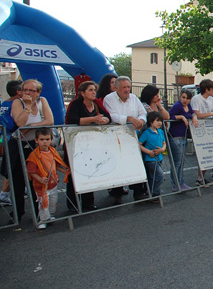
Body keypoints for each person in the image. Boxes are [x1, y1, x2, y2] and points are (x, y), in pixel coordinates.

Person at [9, 79, 54, 223]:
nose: (27, 93)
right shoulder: (18, 102)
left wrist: (33, 125)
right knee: (18, 181)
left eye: (31, 91)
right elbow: (20, 123)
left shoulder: (42, 101)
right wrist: (27, 106)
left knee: (39, 179)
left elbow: (50, 121)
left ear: (38, 92)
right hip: (19, 145)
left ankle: (40, 213)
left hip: (36, 146)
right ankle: (17, 213)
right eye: (24, 90)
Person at [65, 81, 111, 211]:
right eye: (90, 90)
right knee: (73, 173)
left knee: (90, 170)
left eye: (94, 90)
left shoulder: (96, 104)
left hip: (91, 143)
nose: (93, 92)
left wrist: (104, 120)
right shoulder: (75, 104)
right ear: (82, 93)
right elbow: (72, 120)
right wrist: (92, 119)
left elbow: (108, 116)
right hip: (76, 142)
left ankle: (88, 203)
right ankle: (73, 204)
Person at [103, 76, 148, 202]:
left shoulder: (133, 98)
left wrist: (141, 121)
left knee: (135, 163)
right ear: (116, 88)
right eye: (124, 87)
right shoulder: (109, 99)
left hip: (131, 136)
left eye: (128, 87)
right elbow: (112, 116)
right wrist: (129, 118)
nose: (127, 90)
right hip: (115, 136)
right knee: (117, 163)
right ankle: (117, 192)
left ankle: (138, 191)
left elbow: (142, 112)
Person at [25, 128, 71, 229]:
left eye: (47, 139)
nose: (44, 142)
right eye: (42, 139)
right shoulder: (34, 155)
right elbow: (31, 171)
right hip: (41, 185)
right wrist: (40, 179)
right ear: (36, 140)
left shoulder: (53, 152)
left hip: (53, 183)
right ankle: (43, 220)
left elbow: (57, 165)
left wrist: (66, 171)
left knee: (53, 201)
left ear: (51, 140)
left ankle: (50, 216)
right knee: (43, 203)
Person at [191, 79, 213, 186]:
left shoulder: (211, 99)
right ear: (207, 89)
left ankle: (201, 177)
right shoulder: (196, 99)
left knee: (208, 154)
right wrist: (211, 114)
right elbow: (197, 114)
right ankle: (199, 177)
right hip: (199, 129)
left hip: (209, 129)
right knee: (202, 154)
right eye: (212, 89)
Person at [168, 89, 197, 191]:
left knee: (181, 162)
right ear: (180, 97)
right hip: (175, 137)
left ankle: (181, 182)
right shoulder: (177, 106)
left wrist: (194, 117)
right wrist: (181, 117)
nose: (185, 100)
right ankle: (176, 183)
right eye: (183, 97)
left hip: (183, 136)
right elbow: (169, 115)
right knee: (177, 162)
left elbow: (192, 113)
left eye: (187, 98)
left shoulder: (188, 106)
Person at [0, 80, 22, 206]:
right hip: (12, 139)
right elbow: (14, 123)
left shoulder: (4, 102)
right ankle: (4, 194)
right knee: (12, 168)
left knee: (13, 167)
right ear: (18, 91)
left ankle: (18, 189)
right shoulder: (15, 103)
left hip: (6, 138)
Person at [138, 111, 166, 201]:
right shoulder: (146, 133)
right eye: (157, 120)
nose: (159, 123)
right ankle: (155, 192)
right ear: (151, 122)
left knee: (154, 177)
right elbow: (139, 144)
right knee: (160, 175)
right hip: (150, 159)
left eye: (160, 121)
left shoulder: (160, 131)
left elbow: (164, 143)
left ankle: (151, 192)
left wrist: (162, 149)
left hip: (159, 157)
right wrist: (148, 152)